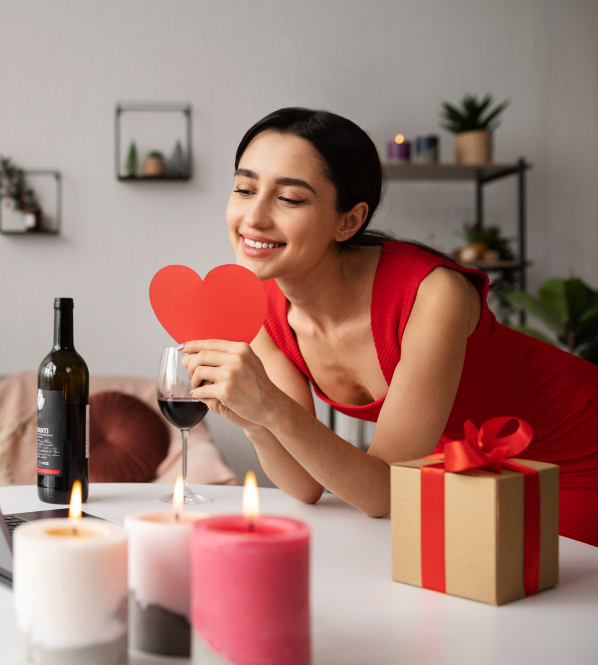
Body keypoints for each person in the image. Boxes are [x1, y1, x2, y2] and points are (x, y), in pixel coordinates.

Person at [181, 107, 598, 547]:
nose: (255, 217)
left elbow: (383, 494)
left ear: (349, 221)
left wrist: (271, 407)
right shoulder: (261, 306)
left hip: (575, 455)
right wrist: (253, 421)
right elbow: (306, 486)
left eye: (290, 199)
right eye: (244, 189)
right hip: (470, 471)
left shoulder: (433, 294)